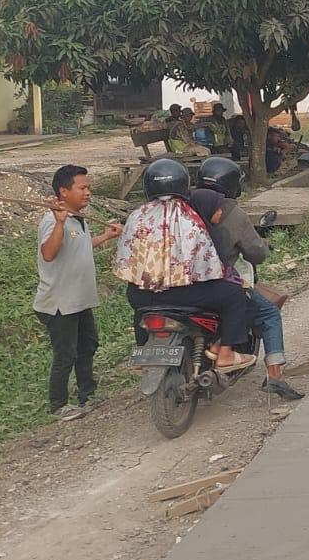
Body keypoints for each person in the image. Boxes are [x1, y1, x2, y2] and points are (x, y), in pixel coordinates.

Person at [114, 158, 255, 372]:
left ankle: (143, 349)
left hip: (141, 295)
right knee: (235, 294)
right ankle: (225, 353)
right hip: (183, 294)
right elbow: (206, 263)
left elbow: (125, 261)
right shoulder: (189, 217)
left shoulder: (136, 217)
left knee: (142, 307)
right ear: (184, 184)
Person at [191, 157, 302, 401]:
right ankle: (275, 376)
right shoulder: (230, 211)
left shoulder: (185, 204)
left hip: (181, 284)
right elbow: (256, 253)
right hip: (219, 283)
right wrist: (263, 244)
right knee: (269, 313)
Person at [34, 165, 123, 420]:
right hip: (60, 303)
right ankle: (58, 405)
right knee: (66, 354)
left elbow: (79, 246)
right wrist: (60, 223)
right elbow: (49, 254)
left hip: (79, 301)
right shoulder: (53, 220)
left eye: (89, 188)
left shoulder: (77, 218)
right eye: (82, 188)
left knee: (88, 345)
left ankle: (88, 393)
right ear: (63, 191)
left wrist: (105, 236)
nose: (88, 193)